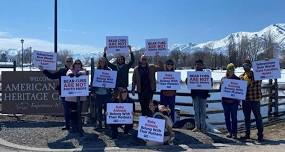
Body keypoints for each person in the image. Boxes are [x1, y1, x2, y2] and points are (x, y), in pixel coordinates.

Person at [41, 56, 73, 131]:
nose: (69, 62)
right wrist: (44, 70)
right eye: (68, 61)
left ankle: (74, 125)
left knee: (73, 110)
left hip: (73, 93)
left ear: (72, 62)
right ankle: (67, 125)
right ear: (65, 62)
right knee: (66, 110)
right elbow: (52, 76)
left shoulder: (75, 70)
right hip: (64, 93)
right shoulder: (62, 70)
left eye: (70, 61)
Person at [239, 59, 264, 142]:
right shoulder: (241, 76)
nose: (245, 67)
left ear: (250, 66)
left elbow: (265, 71)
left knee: (258, 117)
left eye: (247, 65)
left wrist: (266, 62)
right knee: (247, 118)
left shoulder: (258, 74)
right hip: (245, 100)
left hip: (255, 100)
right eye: (244, 65)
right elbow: (238, 88)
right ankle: (247, 134)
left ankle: (260, 135)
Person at [65, 59, 87, 135]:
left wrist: (80, 73)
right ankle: (74, 126)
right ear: (74, 64)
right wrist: (71, 75)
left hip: (80, 96)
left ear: (81, 64)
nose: (77, 64)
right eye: (76, 63)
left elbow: (84, 74)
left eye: (79, 63)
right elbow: (68, 74)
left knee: (79, 112)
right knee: (73, 112)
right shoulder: (70, 70)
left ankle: (79, 126)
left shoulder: (83, 70)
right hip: (71, 96)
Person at [189, 59, 210, 133]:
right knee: (196, 112)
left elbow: (210, 84)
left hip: (203, 95)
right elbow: (188, 83)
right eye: (197, 64)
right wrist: (187, 80)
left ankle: (203, 128)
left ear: (202, 65)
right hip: (195, 95)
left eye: (200, 64)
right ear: (195, 65)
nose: (198, 66)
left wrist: (210, 80)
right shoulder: (192, 74)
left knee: (203, 112)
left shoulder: (206, 74)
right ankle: (197, 126)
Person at [220, 63, 240, 139]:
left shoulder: (238, 79)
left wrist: (238, 100)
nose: (231, 71)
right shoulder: (223, 79)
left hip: (234, 102)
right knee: (227, 117)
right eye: (229, 69)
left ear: (234, 70)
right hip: (225, 102)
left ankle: (234, 133)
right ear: (227, 70)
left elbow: (240, 91)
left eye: (232, 69)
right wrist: (221, 84)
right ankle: (229, 132)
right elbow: (220, 90)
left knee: (234, 118)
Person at [91, 57, 112, 129]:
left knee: (107, 110)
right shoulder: (96, 71)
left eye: (103, 61)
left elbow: (111, 80)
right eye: (101, 61)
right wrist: (93, 91)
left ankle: (107, 124)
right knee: (98, 110)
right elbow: (93, 82)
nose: (102, 62)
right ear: (99, 62)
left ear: (105, 62)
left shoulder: (109, 70)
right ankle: (99, 124)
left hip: (106, 93)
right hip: (98, 93)